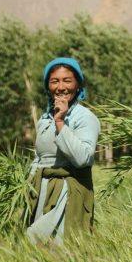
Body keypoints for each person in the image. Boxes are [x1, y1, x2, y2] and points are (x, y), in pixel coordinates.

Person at [26, 57, 100, 245]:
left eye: (67, 80)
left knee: (50, 244)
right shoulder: (44, 118)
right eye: (54, 81)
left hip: (67, 191)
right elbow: (40, 157)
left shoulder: (85, 118)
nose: (61, 87)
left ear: (77, 85)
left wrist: (60, 122)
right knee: (36, 249)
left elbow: (83, 158)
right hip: (41, 190)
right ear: (47, 86)